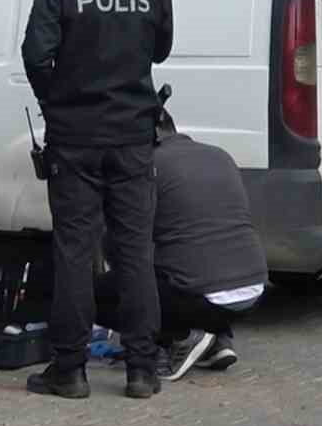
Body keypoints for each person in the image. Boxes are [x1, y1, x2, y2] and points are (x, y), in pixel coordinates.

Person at [21, 0, 173, 400]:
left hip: (75, 138)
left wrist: (59, 100)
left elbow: (34, 55)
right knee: (135, 250)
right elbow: (162, 50)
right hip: (133, 136)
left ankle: (69, 369)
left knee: (74, 251)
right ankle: (142, 369)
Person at [95, 111, 267, 382]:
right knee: (190, 263)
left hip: (203, 294)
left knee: (92, 295)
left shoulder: (146, 167)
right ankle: (218, 339)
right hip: (253, 290)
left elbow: (123, 247)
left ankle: (182, 337)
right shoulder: (219, 155)